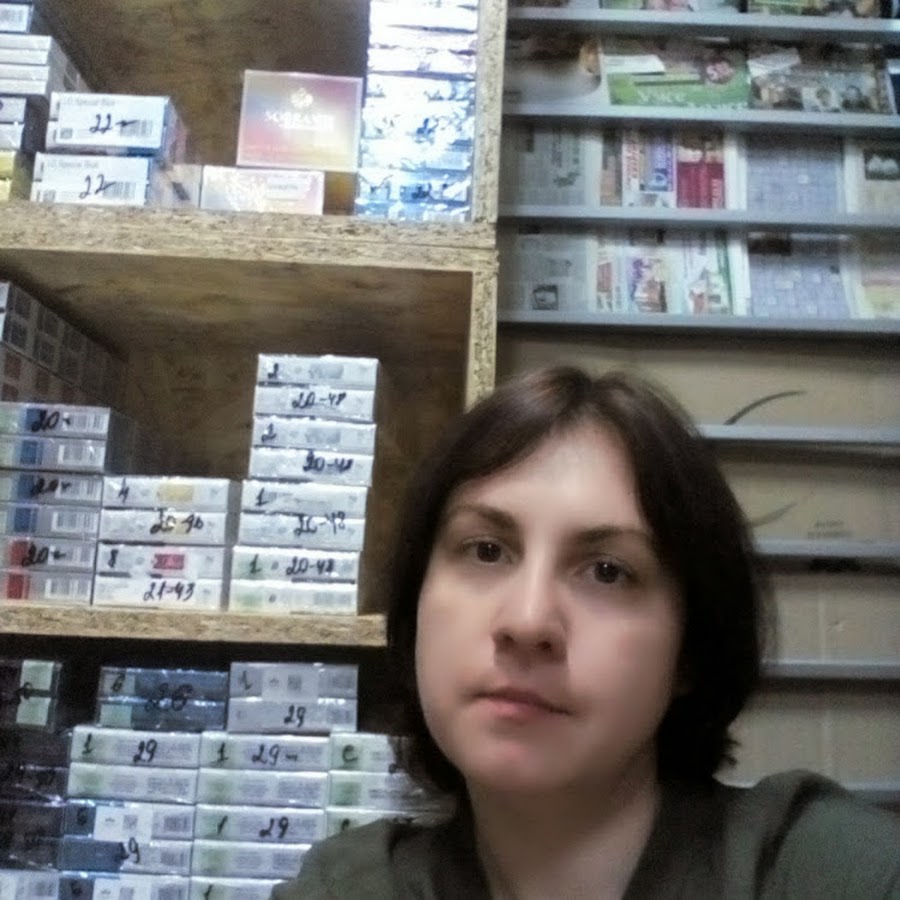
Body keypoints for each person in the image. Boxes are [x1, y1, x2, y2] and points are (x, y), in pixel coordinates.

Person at [274, 366, 900, 899]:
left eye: (607, 571)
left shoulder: (824, 871)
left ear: (689, 651)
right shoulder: (347, 888)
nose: (527, 622)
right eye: (486, 550)